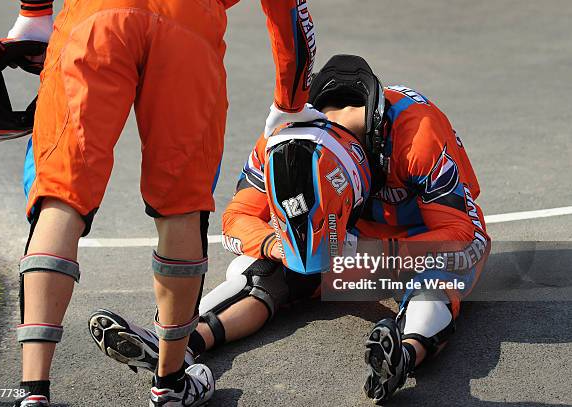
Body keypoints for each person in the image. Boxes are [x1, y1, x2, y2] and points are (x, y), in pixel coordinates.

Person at [88, 54, 490, 404]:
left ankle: (403, 354)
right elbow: (236, 218)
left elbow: (459, 232)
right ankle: (179, 346)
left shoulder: (418, 134)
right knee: (257, 269)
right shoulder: (282, 141)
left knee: (440, 271)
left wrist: (374, 253)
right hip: (337, 243)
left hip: (420, 240)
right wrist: (280, 247)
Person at [6, 0, 323, 406]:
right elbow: (289, 11)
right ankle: (170, 384)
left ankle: (33, 394)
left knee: (61, 198)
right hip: (189, 25)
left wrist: (34, 14)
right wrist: (290, 100)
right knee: (182, 209)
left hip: (96, 15)